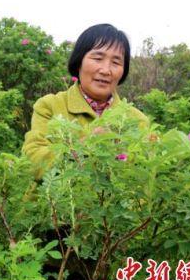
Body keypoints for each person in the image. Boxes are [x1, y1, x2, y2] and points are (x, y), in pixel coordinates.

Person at [22, 24, 148, 180]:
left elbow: (143, 180)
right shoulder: (49, 106)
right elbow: (33, 163)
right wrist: (86, 144)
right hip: (55, 204)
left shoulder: (137, 120)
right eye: (97, 58)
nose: (105, 70)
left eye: (116, 62)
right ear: (79, 60)